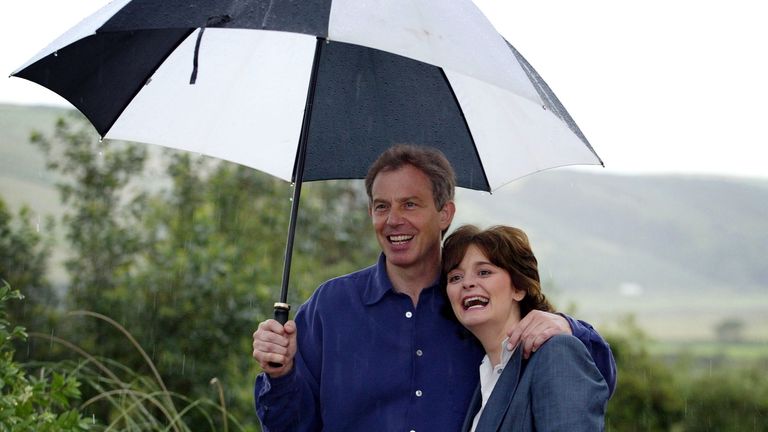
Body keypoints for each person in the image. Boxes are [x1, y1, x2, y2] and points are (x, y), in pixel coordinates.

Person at [252, 144, 615, 431]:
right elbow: (289, 426)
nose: (394, 220)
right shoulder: (330, 307)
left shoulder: (476, 307)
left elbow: (588, 379)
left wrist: (569, 327)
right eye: (382, 206)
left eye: (410, 204)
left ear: (445, 213)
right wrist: (280, 375)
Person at [443, 225, 609, 432]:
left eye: (484, 272)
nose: (467, 283)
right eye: (455, 277)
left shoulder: (556, 353)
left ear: (519, 287)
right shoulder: (484, 375)